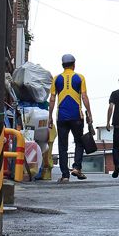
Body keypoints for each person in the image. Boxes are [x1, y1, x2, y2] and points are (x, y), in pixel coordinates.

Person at [48, 54, 93, 183]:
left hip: (61, 117)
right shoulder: (80, 77)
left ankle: (65, 175)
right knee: (79, 142)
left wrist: (50, 116)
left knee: (63, 146)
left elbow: (52, 99)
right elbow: (84, 97)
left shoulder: (56, 79)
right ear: (74, 65)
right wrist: (89, 113)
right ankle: (77, 168)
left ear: (62, 65)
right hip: (76, 116)